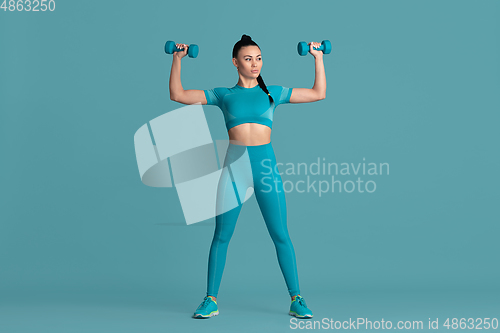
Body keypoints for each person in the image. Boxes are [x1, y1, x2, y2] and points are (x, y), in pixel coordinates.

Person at [169, 34, 326, 319]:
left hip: (265, 168)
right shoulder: (223, 94)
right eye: (248, 58)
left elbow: (318, 93)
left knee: (281, 235)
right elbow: (178, 94)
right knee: (221, 236)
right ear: (235, 62)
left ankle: (297, 299)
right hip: (234, 169)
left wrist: (318, 58)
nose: (255, 64)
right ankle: (210, 300)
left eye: (259, 58)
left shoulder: (273, 93)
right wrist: (177, 60)